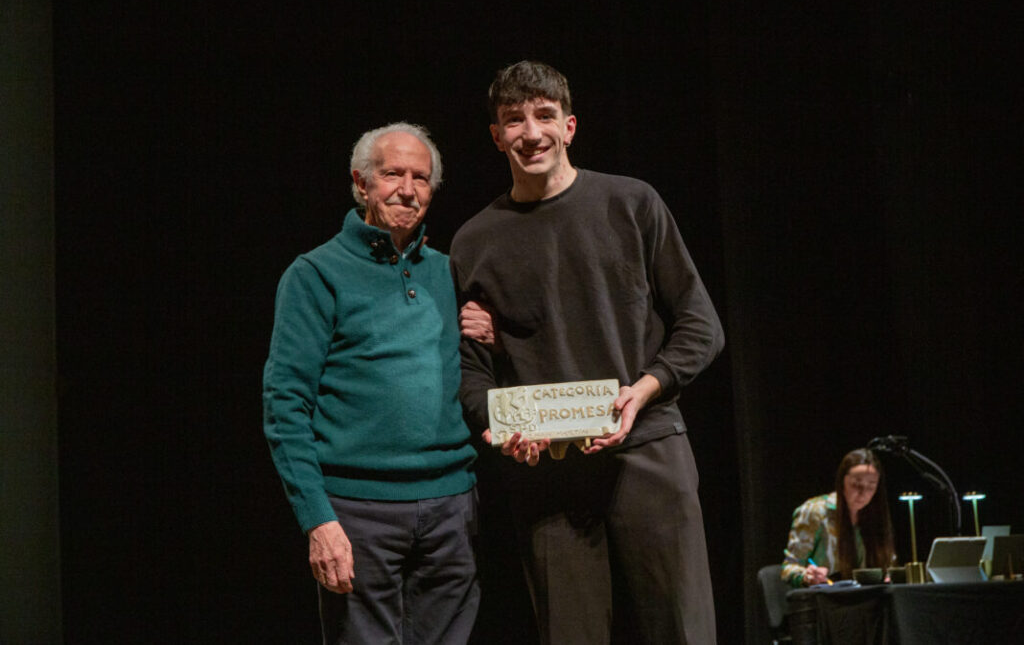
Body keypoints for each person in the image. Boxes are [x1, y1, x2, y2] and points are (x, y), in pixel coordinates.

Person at [450, 60, 725, 644]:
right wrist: (503, 427)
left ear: (569, 126)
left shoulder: (632, 204)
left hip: (647, 447)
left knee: (683, 629)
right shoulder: (475, 241)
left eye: (545, 115)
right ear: (496, 136)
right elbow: (472, 377)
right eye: (514, 120)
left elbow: (701, 325)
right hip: (549, 471)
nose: (532, 133)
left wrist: (645, 389)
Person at [262, 122, 480, 644]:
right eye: (392, 175)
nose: (407, 189)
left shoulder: (449, 273)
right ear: (361, 183)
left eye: (421, 178)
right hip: (358, 513)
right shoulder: (316, 274)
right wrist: (317, 519)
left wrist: (486, 330)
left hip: (452, 505)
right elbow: (285, 404)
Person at [781, 448, 896, 588]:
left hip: (865, 599)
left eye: (871, 486)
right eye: (856, 484)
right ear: (842, 481)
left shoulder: (875, 517)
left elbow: (889, 566)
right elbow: (789, 568)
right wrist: (808, 576)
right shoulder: (815, 511)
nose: (863, 493)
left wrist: (889, 577)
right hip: (824, 600)